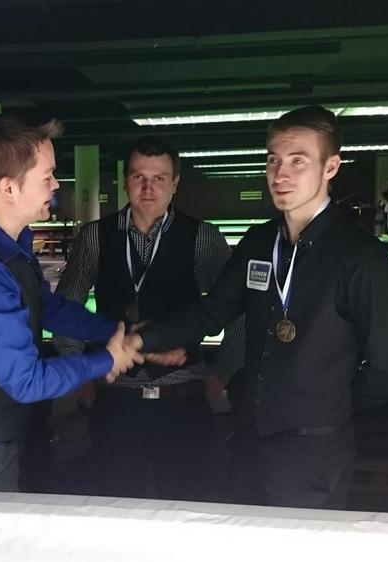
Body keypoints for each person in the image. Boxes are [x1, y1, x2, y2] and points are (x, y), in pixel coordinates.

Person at [128, 105, 388, 510]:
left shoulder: (362, 257)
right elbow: (213, 311)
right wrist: (141, 340)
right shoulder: (259, 243)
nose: (280, 174)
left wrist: (330, 406)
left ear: (331, 167)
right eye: (274, 160)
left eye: (298, 161)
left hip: (313, 452)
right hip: (248, 440)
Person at [0, 115, 162, 492]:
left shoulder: (9, 241)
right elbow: (27, 382)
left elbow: (47, 308)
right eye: (47, 176)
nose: (56, 184)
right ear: (9, 188)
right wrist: (108, 359)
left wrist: (116, 330)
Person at [54, 135, 245, 501]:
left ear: (175, 183)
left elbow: (236, 311)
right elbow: (66, 309)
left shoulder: (203, 238)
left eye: (159, 178)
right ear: (125, 180)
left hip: (183, 401)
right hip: (116, 401)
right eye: (139, 177)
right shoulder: (95, 237)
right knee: (115, 505)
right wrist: (79, 375)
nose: (148, 188)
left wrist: (221, 373)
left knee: (185, 506)